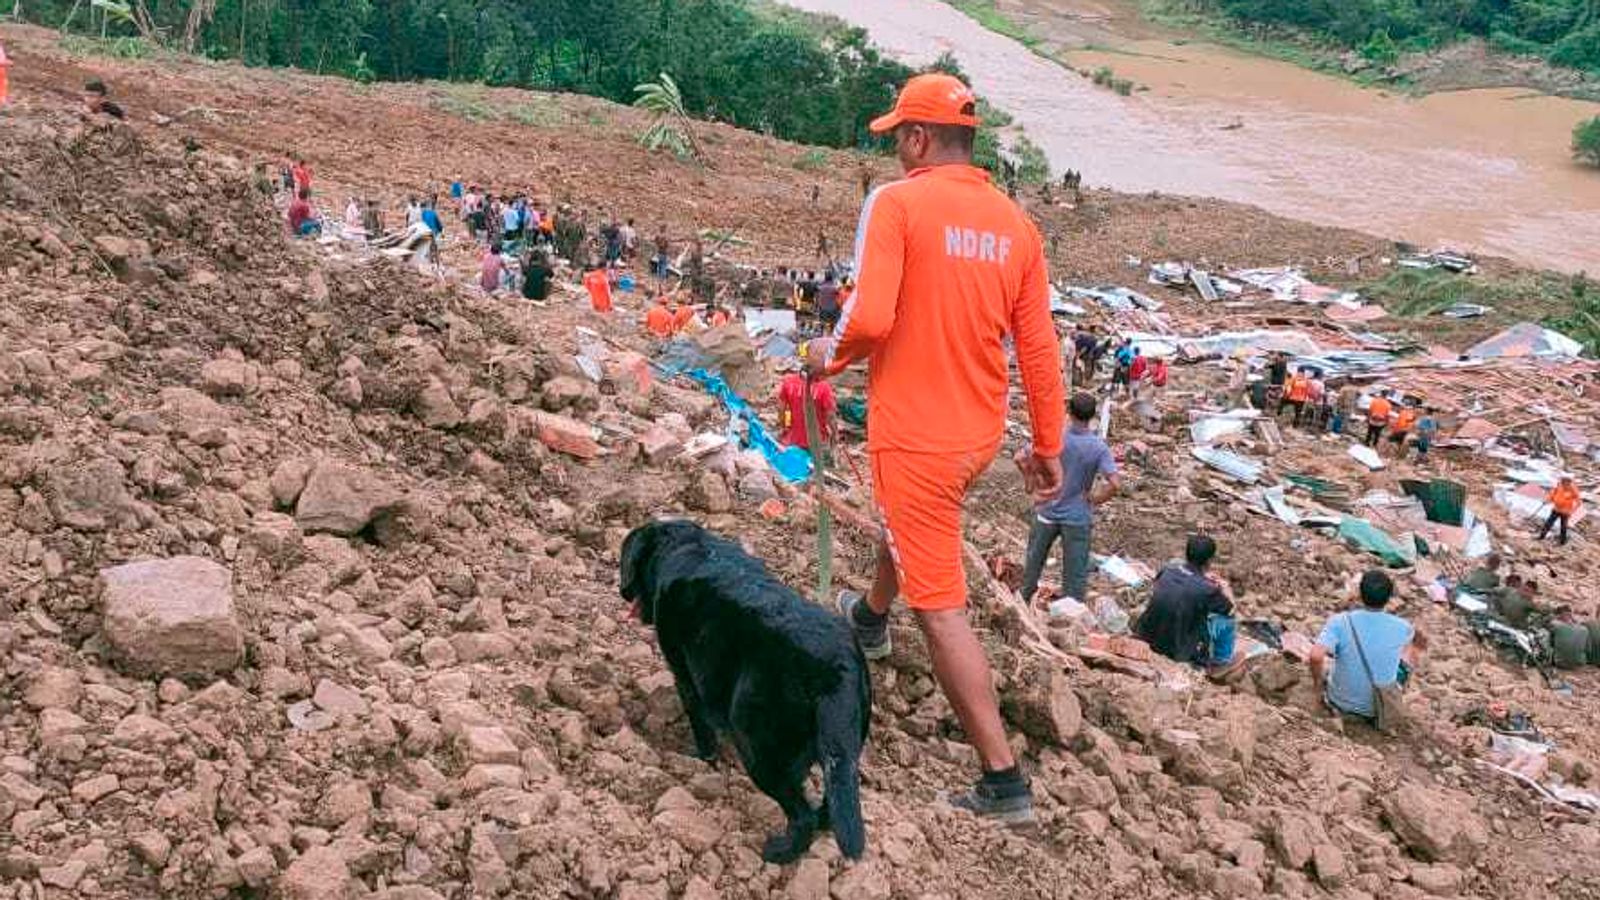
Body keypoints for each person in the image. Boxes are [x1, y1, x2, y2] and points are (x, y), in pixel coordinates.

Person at [803, 73, 1065, 824]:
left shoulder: (898, 204)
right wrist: (1046, 443)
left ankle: (1002, 778)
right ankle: (870, 619)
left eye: (897, 141)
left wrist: (830, 354)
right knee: (915, 528)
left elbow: (872, 315)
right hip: (975, 435)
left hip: (914, 434)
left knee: (942, 604)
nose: (894, 155)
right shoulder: (1015, 225)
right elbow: (1039, 347)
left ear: (917, 139)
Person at [1019, 393, 1119, 606]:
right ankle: (1071, 617)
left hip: (1046, 511)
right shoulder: (1098, 447)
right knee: (1075, 573)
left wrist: (1032, 482)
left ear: (1069, 412)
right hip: (1077, 516)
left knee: (1033, 564)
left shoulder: (1054, 437)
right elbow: (1115, 483)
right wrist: (1095, 498)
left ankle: (1022, 601)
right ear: (1093, 416)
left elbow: (1020, 457)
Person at [1310, 570, 1427, 722]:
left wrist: (1317, 685)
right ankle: (1399, 692)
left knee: (1334, 662)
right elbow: (1412, 651)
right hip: (1379, 707)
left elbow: (1315, 656)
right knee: (1403, 658)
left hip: (1339, 701)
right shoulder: (1404, 628)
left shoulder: (1340, 621)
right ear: (1389, 597)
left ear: (1360, 593)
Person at [1134, 534, 1235, 666]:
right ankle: (1221, 662)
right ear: (1210, 560)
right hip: (1177, 650)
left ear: (1186, 554)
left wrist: (1201, 578)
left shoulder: (1167, 571)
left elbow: (1183, 585)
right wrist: (1226, 588)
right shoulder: (1208, 589)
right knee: (1225, 619)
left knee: (1179, 600)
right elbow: (1231, 610)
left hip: (1147, 638)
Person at [776, 370, 836, 451]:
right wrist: (835, 436)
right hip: (817, 443)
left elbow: (781, 409)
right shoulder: (824, 388)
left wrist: (783, 427)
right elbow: (831, 417)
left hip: (793, 441)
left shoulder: (788, 382)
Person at [1540, 475, 1581, 545]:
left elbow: (1578, 503)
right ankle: (1541, 536)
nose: (1562, 482)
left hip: (1565, 512)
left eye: (1564, 481)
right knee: (1548, 523)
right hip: (1556, 509)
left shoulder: (1573, 490)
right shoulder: (1559, 486)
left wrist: (1572, 511)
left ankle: (1562, 542)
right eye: (1562, 481)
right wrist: (1547, 500)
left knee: (1563, 527)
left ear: (1569, 482)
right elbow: (1553, 494)